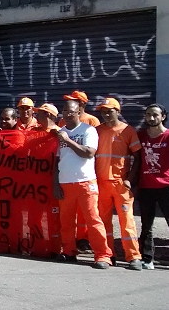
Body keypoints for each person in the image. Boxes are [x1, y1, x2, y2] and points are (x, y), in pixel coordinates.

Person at [52, 99, 113, 269]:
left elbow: (88, 153)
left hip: (85, 182)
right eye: (64, 111)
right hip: (65, 183)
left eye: (71, 111)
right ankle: (69, 251)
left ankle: (102, 255)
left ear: (79, 112)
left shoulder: (88, 130)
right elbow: (57, 161)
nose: (67, 114)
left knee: (93, 219)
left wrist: (68, 140)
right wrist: (56, 184)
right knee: (66, 221)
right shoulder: (61, 132)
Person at [94, 97, 143, 270]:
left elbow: (137, 157)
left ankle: (133, 257)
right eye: (103, 111)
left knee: (127, 220)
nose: (106, 114)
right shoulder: (96, 131)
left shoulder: (127, 131)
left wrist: (129, 179)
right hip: (101, 183)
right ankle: (107, 256)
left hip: (121, 184)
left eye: (110, 111)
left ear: (118, 111)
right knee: (103, 221)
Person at [137, 104, 169, 270]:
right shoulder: (141, 136)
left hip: (166, 187)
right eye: (148, 114)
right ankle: (147, 258)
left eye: (155, 115)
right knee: (146, 225)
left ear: (163, 116)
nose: (151, 118)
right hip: (146, 187)